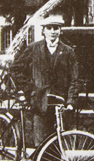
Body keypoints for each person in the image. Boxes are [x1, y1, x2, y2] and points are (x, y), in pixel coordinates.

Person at [11, 14, 79, 146]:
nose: (53, 31)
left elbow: (75, 79)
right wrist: (29, 89)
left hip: (60, 104)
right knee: (40, 143)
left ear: (60, 30)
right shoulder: (34, 48)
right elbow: (15, 69)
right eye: (49, 28)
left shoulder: (68, 51)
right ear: (43, 31)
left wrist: (71, 101)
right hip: (39, 103)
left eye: (56, 28)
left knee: (57, 144)